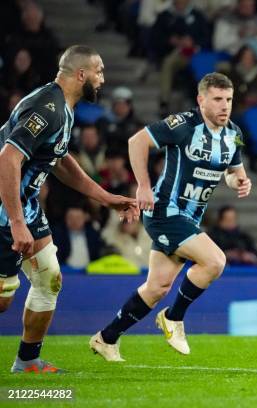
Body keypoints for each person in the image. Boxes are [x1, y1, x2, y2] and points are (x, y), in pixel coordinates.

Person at [90, 72, 251, 361]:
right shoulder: (184, 124)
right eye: (217, 99)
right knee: (215, 261)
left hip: (190, 219)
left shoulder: (234, 134)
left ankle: (106, 338)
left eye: (228, 99)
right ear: (201, 100)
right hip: (166, 212)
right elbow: (136, 142)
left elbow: (232, 173)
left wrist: (240, 181)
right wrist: (143, 185)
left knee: (157, 287)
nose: (224, 106)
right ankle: (174, 318)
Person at [0, 45, 139, 373]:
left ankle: (28, 361)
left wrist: (104, 196)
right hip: (6, 211)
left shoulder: (63, 107)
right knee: (3, 298)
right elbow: (7, 158)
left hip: (27, 207)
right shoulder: (47, 108)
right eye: (99, 71)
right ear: (81, 75)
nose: (102, 79)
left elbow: (59, 159)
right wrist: (17, 222)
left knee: (50, 279)